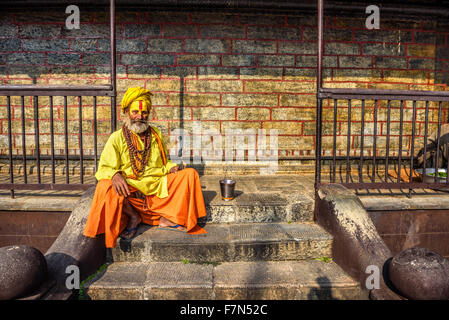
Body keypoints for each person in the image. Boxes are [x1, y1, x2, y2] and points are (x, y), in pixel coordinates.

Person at [83, 87, 207, 248]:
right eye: (135, 112)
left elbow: (163, 162)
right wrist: (115, 175)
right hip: (131, 190)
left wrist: (171, 168)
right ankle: (134, 216)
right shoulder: (116, 138)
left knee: (190, 174)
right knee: (105, 186)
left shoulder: (155, 134)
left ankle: (166, 218)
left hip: (156, 185)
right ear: (126, 112)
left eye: (144, 113)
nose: (139, 117)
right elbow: (104, 168)